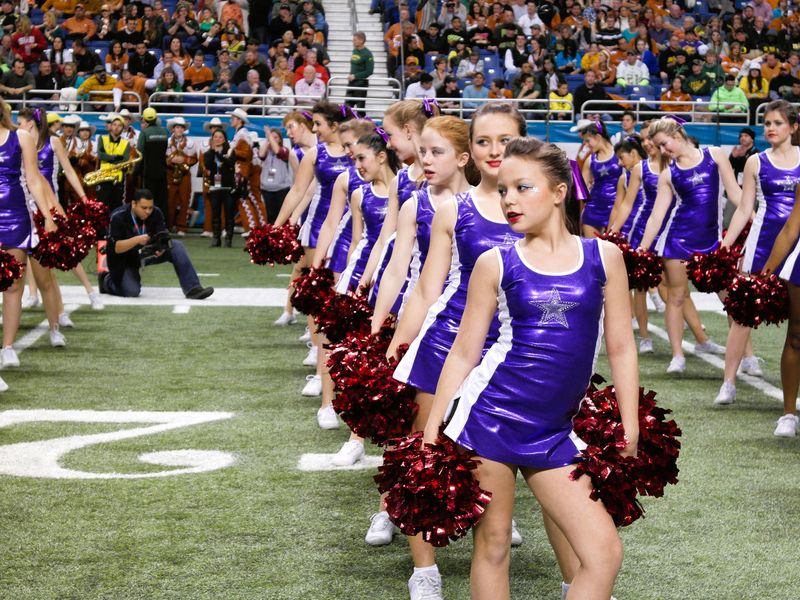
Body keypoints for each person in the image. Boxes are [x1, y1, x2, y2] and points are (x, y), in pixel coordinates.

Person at [420, 134, 635, 600]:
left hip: (555, 430)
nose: (510, 200)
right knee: (494, 544)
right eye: (503, 190)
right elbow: (464, 352)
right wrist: (433, 428)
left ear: (559, 192)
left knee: (603, 553)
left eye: (523, 188)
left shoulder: (604, 257)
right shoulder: (496, 262)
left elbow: (621, 347)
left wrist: (630, 427)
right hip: (489, 418)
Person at [388, 108, 529, 598]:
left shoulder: (542, 208)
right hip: (447, 342)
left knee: (506, 456)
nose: (495, 151)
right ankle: (424, 570)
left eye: (505, 141)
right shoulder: (455, 209)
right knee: (425, 454)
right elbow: (428, 290)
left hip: (514, 351)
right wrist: (396, 346)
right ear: (474, 149)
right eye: (485, 141)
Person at [638, 116, 741, 374]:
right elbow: (656, 216)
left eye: (664, 144)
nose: (663, 151)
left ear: (677, 134)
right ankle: (677, 355)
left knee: (731, 299)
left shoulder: (714, 155)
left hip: (712, 241)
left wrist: (755, 221)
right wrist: (641, 247)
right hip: (678, 240)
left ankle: (744, 356)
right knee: (677, 297)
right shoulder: (668, 174)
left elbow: (736, 194)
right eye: (658, 147)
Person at [716, 101, 800, 414]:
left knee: (796, 321)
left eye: (778, 122)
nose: (771, 128)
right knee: (742, 315)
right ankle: (729, 381)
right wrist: (727, 244)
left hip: (797, 247)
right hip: (762, 245)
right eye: (767, 123)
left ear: (792, 127)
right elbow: (745, 208)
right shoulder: (756, 161)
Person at [274, 101, 352, 424]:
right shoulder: (315, 154)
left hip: (354, 233)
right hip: (319, 229)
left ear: (334, 124)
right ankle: (323, 372)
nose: (314, 129)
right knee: (320, 304)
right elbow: (297, 190)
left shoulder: (359, 150)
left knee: (345, 306)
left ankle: (339, 371)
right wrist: (277, 226)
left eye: (318, 123)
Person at [0, 99, 59, 385]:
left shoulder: (20, 137)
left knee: (13, 284)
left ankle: (8, 346)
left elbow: (34, 180)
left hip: (15, 216)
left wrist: (47, 216)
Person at [101, 189, 213, 299]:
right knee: (131, 291)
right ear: (134, 204)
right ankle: (106, 280)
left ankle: (193, 289)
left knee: (176, 246)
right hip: (124, 258)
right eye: (144, 208)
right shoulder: (118, 216)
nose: (148, 211)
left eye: (150, 207)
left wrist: (162, 248)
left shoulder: (156, 212)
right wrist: (137, 239)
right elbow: (117, 248)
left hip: (146, 253)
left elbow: (163, 236)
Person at [579, 119, 621, 237]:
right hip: (593, 210)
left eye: (588, 141)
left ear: (597, 137)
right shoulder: (590, 160)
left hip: (615, 210)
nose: (586, 145)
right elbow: (582, 192)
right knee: (592, 249)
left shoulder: (619, 155)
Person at [203, 128, 237, 246]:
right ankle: (216, 238)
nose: (217, 139)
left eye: (220, 137)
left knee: (229, 214)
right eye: (215, 137)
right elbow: (207, 165)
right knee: (215, 214)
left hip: (228, 188)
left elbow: (230, 163)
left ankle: (228, 238)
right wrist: (213, 152)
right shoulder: (208, 153)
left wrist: (219, 155)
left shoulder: (230, 151)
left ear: (224, 139)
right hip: (214, 187)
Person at [165, 116, 198, 236]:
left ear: (184, 129)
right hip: (170, 173)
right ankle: (169, 225)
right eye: (177, 127)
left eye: (181, 127)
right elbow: (162, 159)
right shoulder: (167, 141)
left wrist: (184, 159)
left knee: (185, 200)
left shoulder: (191, 143)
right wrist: (171, 160)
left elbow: (195, 159)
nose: (179, 130)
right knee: (170, 200)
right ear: (173, 129)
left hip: (184, 174)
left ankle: (182, 228)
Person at [136, 107, 169, 216]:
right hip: (162, 172)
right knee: (161, 199)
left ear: (144, 119)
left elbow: (140, 154)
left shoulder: (144, 133)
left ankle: (149, 224)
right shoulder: (164, 132)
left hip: (148, 172)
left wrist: (136, 171)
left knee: (148, 199)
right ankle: (162, 224)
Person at [95, 112, 131, 213]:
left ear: (123, 128)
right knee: (101, 206)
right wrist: (116, 157)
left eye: (119, 125)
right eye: (114, 125)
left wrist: (109, 158)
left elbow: (125, 159)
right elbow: (101, 155)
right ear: (110, 126)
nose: (116, 127)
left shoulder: (126, 143)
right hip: (103, 177)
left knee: (117, 206)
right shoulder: (102, 138)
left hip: (117, 178)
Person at [258, 126, 293, 224]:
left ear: (281, 139)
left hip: (281, 189)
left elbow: (277, 151)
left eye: (275, 137)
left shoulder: (285, 150)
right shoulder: (266, 151)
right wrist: (267, 140)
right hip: (267, 188)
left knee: (282, 216)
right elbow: (261, 154)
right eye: (271, 137)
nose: (272, 139)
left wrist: (269, 135)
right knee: (270, 216)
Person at [347, 31, 373, 110]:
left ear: (361, 41)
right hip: (351, 82)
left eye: (355, 40)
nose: (353, 41)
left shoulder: (367, 54)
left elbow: (369, 71)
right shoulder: (354, 50)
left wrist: (355, 76)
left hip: (361, 83)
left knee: (360, 108)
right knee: (347, 107)